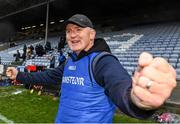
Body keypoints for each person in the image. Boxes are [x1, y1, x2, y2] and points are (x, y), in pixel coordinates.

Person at [6, 14, 176, 123]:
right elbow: (48, 77)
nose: (72, 35)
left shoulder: (103, 62)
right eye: (68, 31)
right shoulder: (70, 61)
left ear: (92, 34)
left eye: (78, 29)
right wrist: (19, 74)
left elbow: (121, 88)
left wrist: (140, 100)